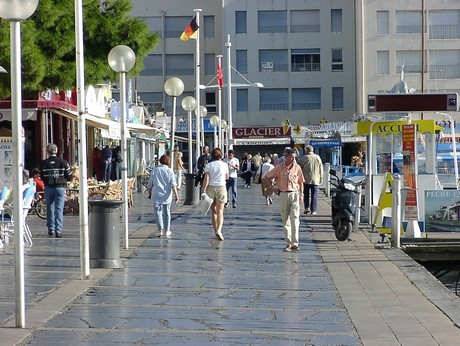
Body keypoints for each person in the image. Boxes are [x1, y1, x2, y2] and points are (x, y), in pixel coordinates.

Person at [264, 148, 304, 252]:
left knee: (295, 219)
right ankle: (288, 243)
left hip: (294, 193)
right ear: (285, 157)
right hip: (283, 194)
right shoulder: (278, 168)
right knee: (285, 219)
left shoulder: (297, 168)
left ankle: (295, 243)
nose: (293, 159)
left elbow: (301, 182)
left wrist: (302, 194)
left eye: (294, 158)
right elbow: (267, 177)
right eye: (291, 157)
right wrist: (272, 188)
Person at [39, 143, 72, 238]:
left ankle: (51, 229)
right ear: (56, 151)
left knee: (50, 208)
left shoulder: (43, 163)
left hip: (48, 188)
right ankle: (58, 231)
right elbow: (69, 175)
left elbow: (41, 176)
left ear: (47, 152)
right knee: (59, 209)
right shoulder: (64, 162)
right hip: (60, 188)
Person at [147, 154, 179, 237]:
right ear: (168, 162)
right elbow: (173, 184)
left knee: (158, 212)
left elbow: (150, 184)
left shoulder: (154, 170)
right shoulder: (169, 171)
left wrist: (149, 193)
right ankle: (167, 230)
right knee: (167, 212)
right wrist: (176, 194)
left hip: (156, 194)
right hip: (167, 195)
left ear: (160, 161)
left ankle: (160, 229)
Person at [201, 147, 229, 241]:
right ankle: (219, 231)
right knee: (220, 211)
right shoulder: (225, 165)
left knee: (213, 212)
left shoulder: (209, 165)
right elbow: (227, 177)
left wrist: (203, 190)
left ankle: (215, 231)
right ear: (221, 155)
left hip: (211, 188)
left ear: (212, 155)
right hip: (221, 187)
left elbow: (206, 179)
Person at [299, 145, 323, 215]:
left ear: (307, 150)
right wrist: (321, 178)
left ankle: (307, 207)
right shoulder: (317, 157)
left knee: (306, 194)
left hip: (306, 179)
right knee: (314, 195)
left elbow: (299, 166)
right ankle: (314, 210)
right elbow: (320, 168)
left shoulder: (305, 157)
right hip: (315, 179)